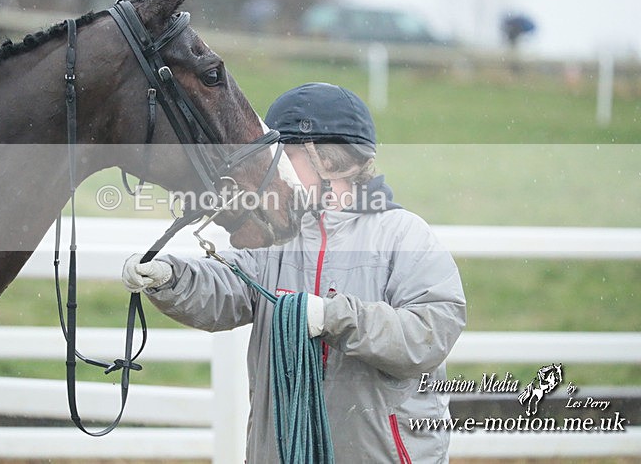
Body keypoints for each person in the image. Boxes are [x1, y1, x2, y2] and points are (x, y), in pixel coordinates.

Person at [123, 82, 466, 463]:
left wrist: (333, 317)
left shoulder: (404, 235)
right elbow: (228, 286)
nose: (270, 169)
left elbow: (429, 334)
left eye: (283, 156)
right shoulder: (277, 235)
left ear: (331, 160)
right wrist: (171, 279)